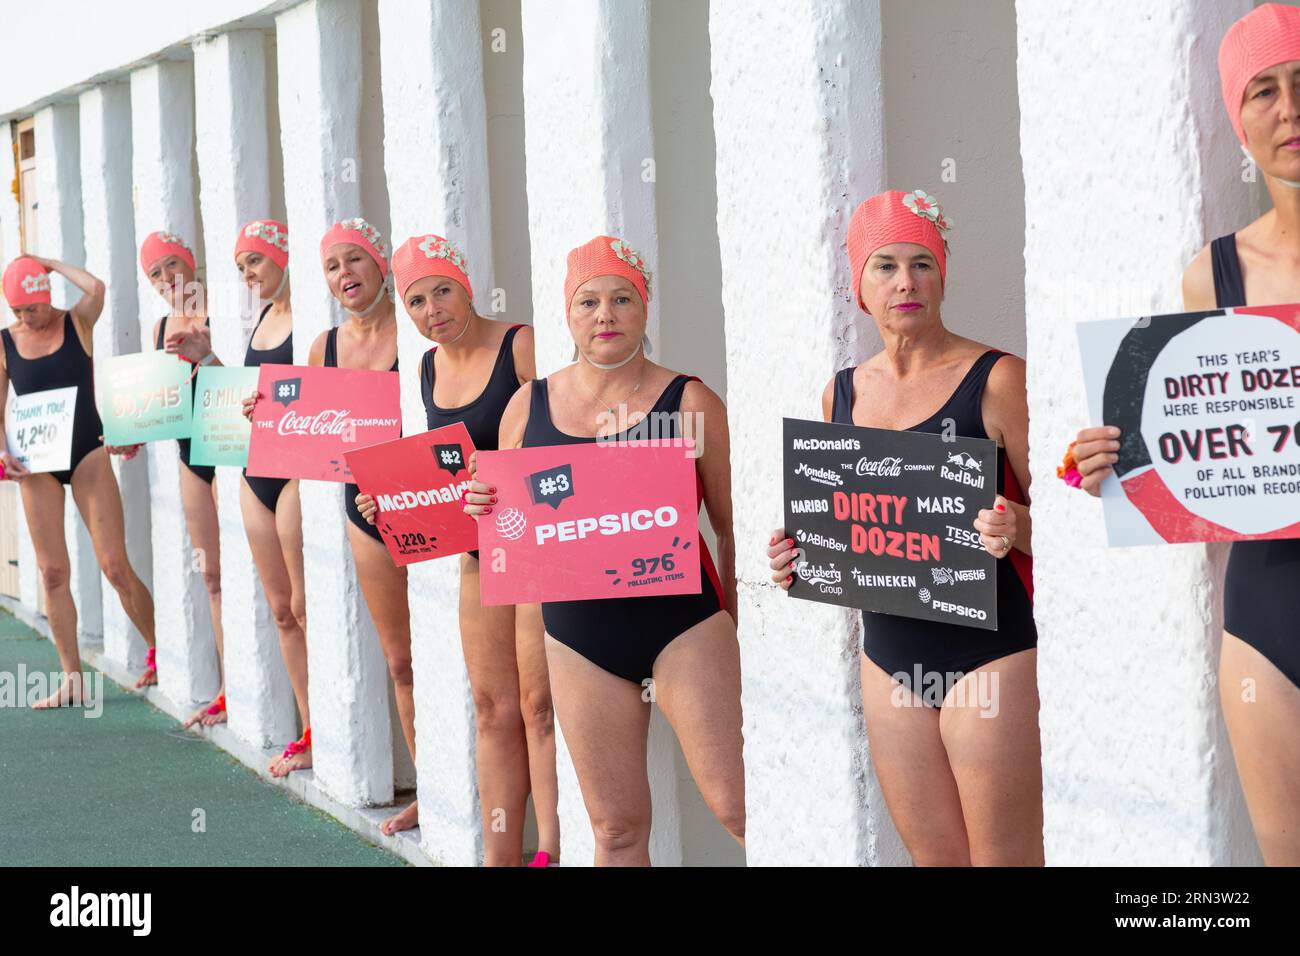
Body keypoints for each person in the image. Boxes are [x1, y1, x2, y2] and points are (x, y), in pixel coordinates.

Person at [1068, 3, 1300, 866]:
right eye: (1264, 91)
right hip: (1267, 608)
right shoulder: (1217, 272)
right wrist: (1119, 456)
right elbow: (1195, 433)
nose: (1289, 110)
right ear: (1238, 121)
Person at [768, 190, 1042, 865]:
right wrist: (797, 556)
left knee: (1004, 859)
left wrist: (1017, 528)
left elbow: (1069, 522)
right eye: (884, 265)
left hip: (992, 648)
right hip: (888, 655)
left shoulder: (999, 378)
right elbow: (847, 526)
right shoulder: (841, 393)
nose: (906, 282)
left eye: (922, 263)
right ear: (859, 285)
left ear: (942, 274)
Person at [464, 235, 744, 866]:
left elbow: (730, 526)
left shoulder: (690, 401)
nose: (605, 315)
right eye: (588, 301)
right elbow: (508, 521)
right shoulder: (526, 404)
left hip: (682, 626)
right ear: (568, 314)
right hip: (578, 638)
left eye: (622, 298)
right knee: (615, 831)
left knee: (737, 805)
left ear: (644, 309)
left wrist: (739, 632)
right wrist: (483, 507)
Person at [354, 233, 557, 866]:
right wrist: (390, 502)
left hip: (540, 547)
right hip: (479, 550)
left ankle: (549, 851)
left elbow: (562, 434)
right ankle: (499, 856)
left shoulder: (519, 344)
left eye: (442, 290)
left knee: (538, 705)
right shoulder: (426, 367)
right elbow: (446, 472)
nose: (432, 309)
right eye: (415, 300)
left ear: (466, 285)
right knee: (492, 706)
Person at [0, 255, 158, 700]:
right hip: (36, 462)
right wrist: (3, 452)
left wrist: (49, 263)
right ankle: (72, 678)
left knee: (114, 565)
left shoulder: (77, 322)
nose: (25, 318)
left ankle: (158, 652)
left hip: (86, 450)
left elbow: (98, 288)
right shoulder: (5, 342)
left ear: (46, 298)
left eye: (31, 308)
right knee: (52, 572)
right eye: (16, 311)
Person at [135, 232, 227, 728]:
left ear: (192, 266)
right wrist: (129, 435)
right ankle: (229, 689)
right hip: (191, 453)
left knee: (257, 579)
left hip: (232, 451)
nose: (168, 279)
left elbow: (246, 384)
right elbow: (161, 406)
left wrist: (206, 354)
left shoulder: (226, 312)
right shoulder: (159, 328)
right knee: (211, 575)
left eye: (174, 266)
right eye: (156, 273)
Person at [232, 220, 311, 776]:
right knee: (281, 611)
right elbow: (256, 396)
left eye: (255, 262)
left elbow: (323, 396)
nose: (248, 275)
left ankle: (333, 728)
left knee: (305, 607)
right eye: (241, 268)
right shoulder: (262, 318)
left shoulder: (309, 316)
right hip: (254, 469)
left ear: (283, 255)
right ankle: (308, 727)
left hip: (296, 472)